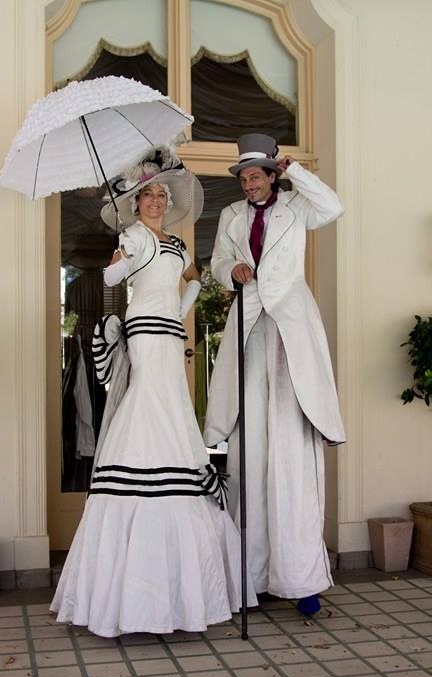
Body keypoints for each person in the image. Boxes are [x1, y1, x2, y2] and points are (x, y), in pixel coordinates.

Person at [51, 147, 257, 637]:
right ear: (136, 201)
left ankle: (177, 468)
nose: (157, 202)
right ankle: (142, 467)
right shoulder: (133, 237)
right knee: (148, 401)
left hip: (172, 334)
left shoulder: (180, 245)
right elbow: (110, 279)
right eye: (149, 195)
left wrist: (191, 293)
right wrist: (119, 263)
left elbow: (191, 285)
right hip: (143, 331)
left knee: (174, 408)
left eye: (162, 195)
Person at [204, 133, 346, 615]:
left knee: (290, 456)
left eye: (256, 175)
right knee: (250, 455)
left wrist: (298, 171)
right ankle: (253, 577)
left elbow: (332, 207)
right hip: (249, 327)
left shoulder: (296, 207)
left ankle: (301, 578)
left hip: (291, 331)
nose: (248, 183)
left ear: (271, 175)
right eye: (243, 177)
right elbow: (218, 261)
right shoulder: (230, 217)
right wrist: (232, 271)